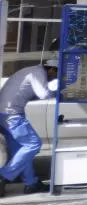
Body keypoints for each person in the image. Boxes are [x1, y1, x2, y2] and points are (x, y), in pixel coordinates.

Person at [0, 59, 58, 196]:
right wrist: (57, 92)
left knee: (22, 149)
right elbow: (44, 94)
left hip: (4, 114)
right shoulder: (38, 73)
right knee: (34, 144)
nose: (53, 78)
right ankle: (4, 175)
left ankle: (30, 183)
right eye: (55, 75)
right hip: (11, 115)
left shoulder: (30, 71)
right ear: (52, 69)